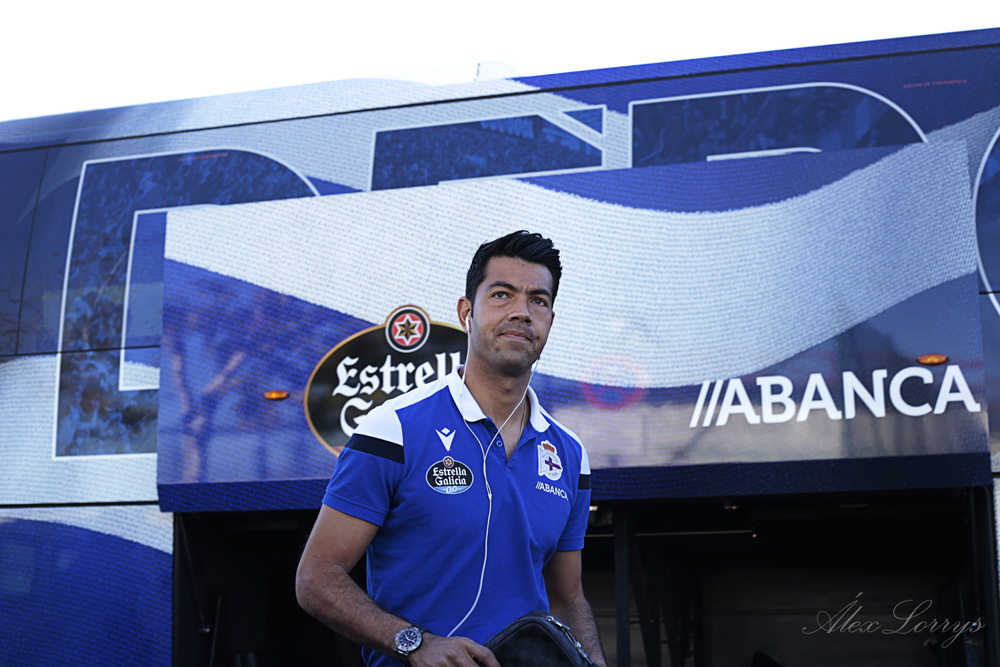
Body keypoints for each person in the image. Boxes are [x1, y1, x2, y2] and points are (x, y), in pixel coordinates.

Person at [296, 230, 607, 667]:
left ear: (550, 322)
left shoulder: (569, 455)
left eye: (538, 300)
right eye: (502, 294)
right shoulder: (393, 429)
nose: (522, 311)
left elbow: (567, 597)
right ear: (466, 312)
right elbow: (316, 578)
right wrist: (415, 643)